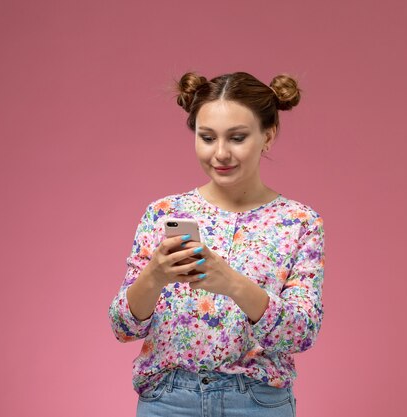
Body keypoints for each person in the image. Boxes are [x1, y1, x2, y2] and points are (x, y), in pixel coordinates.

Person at [108, 71, 325, 417]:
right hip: (167, 400)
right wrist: (154, 275)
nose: (220, 153)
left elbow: (301, 333)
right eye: (207, 137)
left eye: (237, 138)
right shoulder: (163, 213)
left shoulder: (299, 222)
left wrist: (234, 284)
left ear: (267, 136)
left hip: (256, 402)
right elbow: (123, 327)